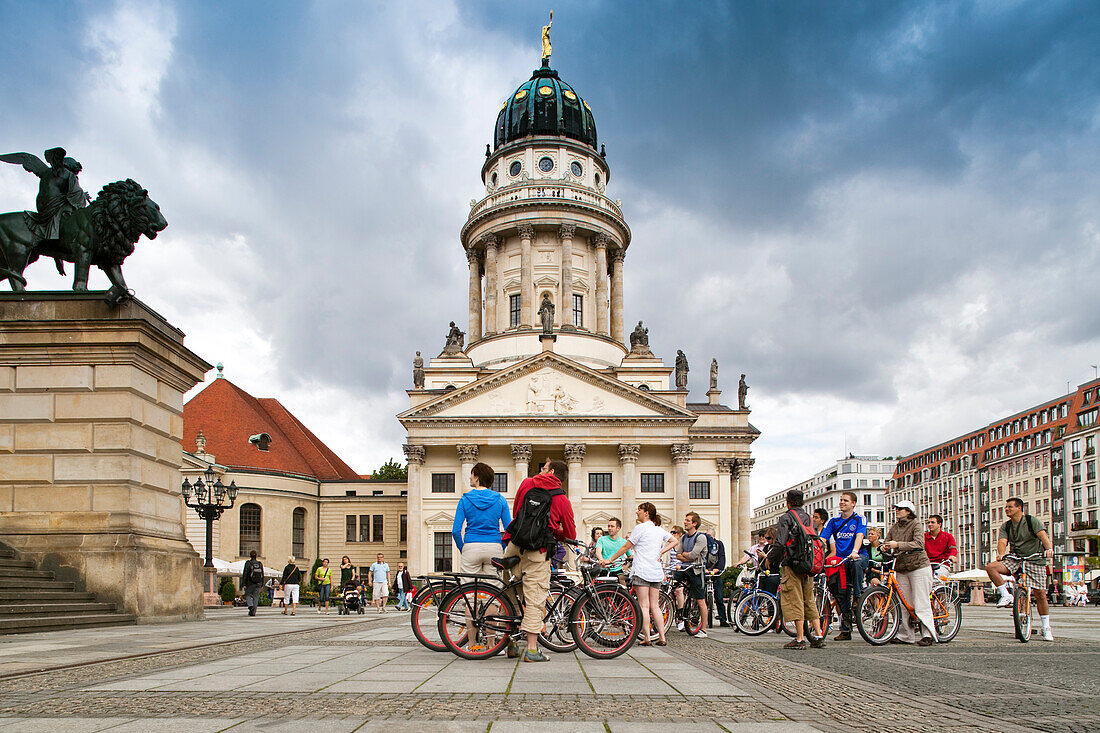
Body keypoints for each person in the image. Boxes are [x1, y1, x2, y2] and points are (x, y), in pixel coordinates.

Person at [501, 458, 576, 662]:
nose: (541, 470)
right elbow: (569, 533)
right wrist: (555, 533)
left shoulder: (527, 483)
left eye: (544, 467)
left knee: (509, 595)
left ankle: (511, 644)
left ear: (551, 470)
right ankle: (532, 650)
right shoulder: (562, 499)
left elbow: (517, 513)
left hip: (514, 546)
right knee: (535, 599)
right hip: (538, 551)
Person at [985, 497, 1055, 641]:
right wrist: (1001, 554)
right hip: (1016, 558)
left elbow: (1043, 536)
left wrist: (1048, 549)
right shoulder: (1006, 526)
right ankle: (1006, 595)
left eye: (1010, 507)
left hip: (1035, 558)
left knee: (1040, 593)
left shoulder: (1031, 521)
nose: (1006, 509)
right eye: (1006, 507)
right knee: (991, 568)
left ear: (1019, 508)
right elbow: (1002, 542)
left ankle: (1046, 627)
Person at [601, 502, 670, 645]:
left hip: (642, 570)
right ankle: (662, 637)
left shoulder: (640, 528)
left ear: (646, 513)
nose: (636, 512)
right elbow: (674, 540)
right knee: (655, 606)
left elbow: (626, 546)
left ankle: (647, 638)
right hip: (656, 570)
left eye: (639, 510)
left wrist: (610, 559)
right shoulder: (658, 529)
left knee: (643, 605)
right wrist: (662, 551)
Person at [773, 490, 825, 649]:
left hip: (793, 563)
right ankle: (818, 635)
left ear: (787, 501)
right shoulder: (810, 518)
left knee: (794, 599)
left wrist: (771, 560)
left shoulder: (786, 518)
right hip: (809, 564)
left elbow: (781, 543)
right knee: (809, 599)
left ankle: (800, 638)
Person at [884, 500, 937, 646]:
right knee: (903, 603)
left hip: (919, 566)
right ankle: (906, 635)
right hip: (902, 567)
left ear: (908, 511)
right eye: (896, 508)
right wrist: (885, 547)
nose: (897, 511)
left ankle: (928, 634)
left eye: (900, 509)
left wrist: (898, 545)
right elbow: (888, 541)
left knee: (921, 602)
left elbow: (919, 544)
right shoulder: (894, 527)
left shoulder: (916, 525)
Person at [820, 491, 868, 641]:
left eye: (845, 500)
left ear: (853, 503)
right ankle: (845, 629)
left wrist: (854, 551)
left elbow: (860, 535)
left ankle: (859, 596)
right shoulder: (833, 522)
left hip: (857, 555)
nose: (842, 502)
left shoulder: (860, 518)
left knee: (857, 562)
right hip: (841, 560)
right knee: (842, 594)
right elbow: (823, 538)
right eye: (841, 500)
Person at [453, 462, 511, 576]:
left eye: (472, 474)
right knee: (493, 589)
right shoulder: (501, 500)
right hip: (494, 547)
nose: (470, 477)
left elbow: (455, 531)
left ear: (477, 477)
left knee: (468, 589)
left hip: (471, 546)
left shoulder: (465, 499)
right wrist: (501, 546)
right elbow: (509, 529)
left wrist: (463, 548)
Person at [670, 512, 711, 637]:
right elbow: (678, 554)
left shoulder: (701, 537)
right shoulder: (683, 538)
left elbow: (693, 555)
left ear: (694, 523)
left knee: (700, 600)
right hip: (684, 568)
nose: (685, 522)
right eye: (685, 520)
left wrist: (685, 556)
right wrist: (687, 556)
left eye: (688, 520)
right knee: (671, 586)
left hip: (696, 571)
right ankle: (678, 611)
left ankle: (703, 629)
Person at [704, 529, 729, 627]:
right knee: (702, 597)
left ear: (713, 536)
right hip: (705, 572)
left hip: (716, 573)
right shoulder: (704, 545)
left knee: (719, 597)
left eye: (709, 535)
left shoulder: (718, 544)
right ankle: (700, 618)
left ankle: (723, 619)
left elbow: (722, 557)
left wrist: (718, 569)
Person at [925, 514, 958, 579]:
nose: (930, 524)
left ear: (939, 524)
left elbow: (953, 548)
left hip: (942, 564)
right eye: (928, 522)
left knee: (938, 579)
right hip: (926, 565)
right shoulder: (924, 537)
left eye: (933, 522)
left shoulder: (947, 536)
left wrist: (952, 556)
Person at [241, 550, 264, 617]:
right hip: (258, 583)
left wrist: (244, 583)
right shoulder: (259, 564)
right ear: (256, 556)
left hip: (249, 583)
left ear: (250, 556)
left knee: (247, 595)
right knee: (256, 597)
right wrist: (262, 583)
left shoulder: (248, 563)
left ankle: (251, 606)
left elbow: (245, 574)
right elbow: (262, 574)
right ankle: (253, 612)